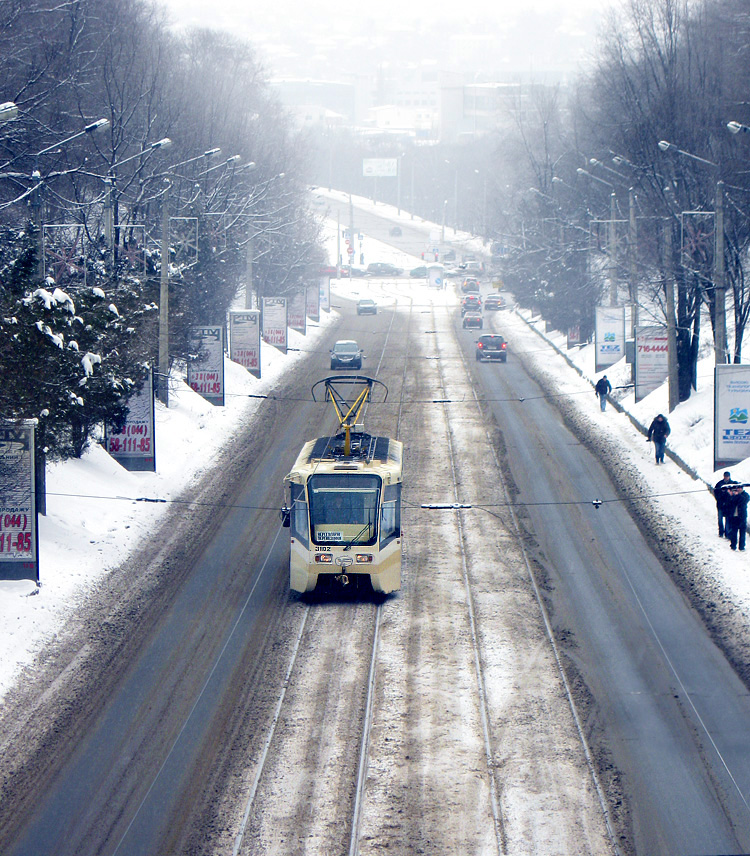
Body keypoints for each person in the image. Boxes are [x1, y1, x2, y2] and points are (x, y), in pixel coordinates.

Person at [724, 484, 748, 551]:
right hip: (734, 516)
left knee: (742, 532)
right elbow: (730, 503)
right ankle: (733, 545)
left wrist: (737, 495)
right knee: (734, 531)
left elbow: (742, 502)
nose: (738, 489)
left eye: (740, 488)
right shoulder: (734, 496)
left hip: (742, 517)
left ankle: (741, 546)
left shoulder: (746, 495)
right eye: (737, 488)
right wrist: (731, 495)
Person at [714, 471, 736, 538]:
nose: (726, 477)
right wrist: (721, 494)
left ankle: (727, 533)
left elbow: (734, 493)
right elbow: (716, 493)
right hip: (721, 504)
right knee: (720, 519)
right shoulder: (719, 484)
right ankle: (721, 532)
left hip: (728, 505)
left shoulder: (732, 484)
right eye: (725, 476)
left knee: (728, 519)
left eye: (727, 476)